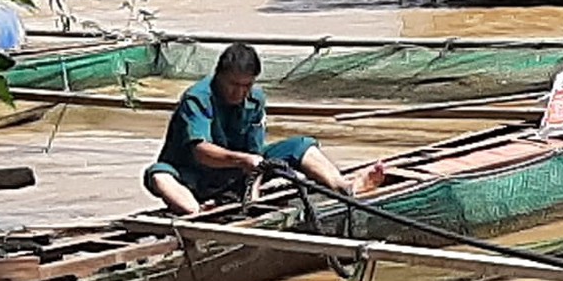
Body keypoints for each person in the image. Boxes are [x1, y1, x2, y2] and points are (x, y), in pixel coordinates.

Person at [143, 44, 385, 217]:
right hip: (193, 177)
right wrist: (244, 160)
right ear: (219, 76)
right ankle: (195, 212)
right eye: (232, 85)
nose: (238, 92)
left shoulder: (256, 100)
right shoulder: (197, 98)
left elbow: (257, 157)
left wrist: (253, 199)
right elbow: (201, 151)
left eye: (246, 86)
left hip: (237, 175)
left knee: (302, 146)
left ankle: (343, 187)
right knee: (158, 174)